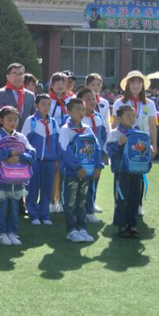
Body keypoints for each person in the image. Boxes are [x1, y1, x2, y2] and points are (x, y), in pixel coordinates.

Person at [0, 106, 35, 246]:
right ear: (1, 120)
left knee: (14, 207)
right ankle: (1, 233)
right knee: (1, 207)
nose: (13, 122)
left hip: (18, 178)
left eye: (15, 119)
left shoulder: (21, 137)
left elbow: (32, 154)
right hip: (1, 179)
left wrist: (19, 157)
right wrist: (9, 154)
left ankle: (12, 232)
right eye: (9, 119)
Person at [59, 98, 103, 243]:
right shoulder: (65, 129)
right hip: (72, 173)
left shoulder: (87, 128)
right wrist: (77, 167)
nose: (81, 112)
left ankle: (82, 228)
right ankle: (72, 230)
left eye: (83, 109)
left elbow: (97, 148)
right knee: (70, 202)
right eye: (78, 109)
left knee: (82, 202)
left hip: (87, 173)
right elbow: (65, 151)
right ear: (69, 111)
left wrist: (98, 166)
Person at [105, 105, 146, 238]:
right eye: (128, 116)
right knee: (121, 199)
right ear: (119, 118)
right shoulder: (115, 134)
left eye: (133, 116)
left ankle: (132, 225)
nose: (132, 118)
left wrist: (148, 149)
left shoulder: (137, 132)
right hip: (121, 172)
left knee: (135, 199)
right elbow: (109, 151)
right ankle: (121, 226)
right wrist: (118, 143)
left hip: (136, 171)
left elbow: (142, 150)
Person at [23, 94, 59, 226]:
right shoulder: (31, 121)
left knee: (47, 189)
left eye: (49, 104)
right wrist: (27, 158)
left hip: (49, 161)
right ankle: (33, 214)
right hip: (34, 161)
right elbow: (24, 142)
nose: (46, 107)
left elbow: (57, 142)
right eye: (43, 104)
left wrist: (57, 158)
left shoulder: (53, 122)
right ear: (36, 105)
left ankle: (45, 214)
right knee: (32, 188)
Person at [78, 86, 108, 224]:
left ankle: (90, 209)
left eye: (93, 98)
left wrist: (103, 152)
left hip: (96, 156)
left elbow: (103, 136)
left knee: (93, 183)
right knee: (82, 185)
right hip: (83, 157)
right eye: (87, 99)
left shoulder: (98, 116)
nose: (91, 101)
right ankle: (82, 211)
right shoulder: (78, 118)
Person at [112, 71, 158, 158]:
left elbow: (152, 126)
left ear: (143, 85)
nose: (136, 86)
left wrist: (154, 145)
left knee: (142, 165)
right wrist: (116, 143)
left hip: (143, 143)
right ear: (127, 85)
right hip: (124, 143)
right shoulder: (119, 103)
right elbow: (114, 125)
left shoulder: (150, 104)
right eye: (132, 83)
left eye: (139, 83)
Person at [0, 63, 36, 131]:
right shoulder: (0, 94)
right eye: (14, 74)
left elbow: (33, 118)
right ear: (8, 77)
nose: (18, 77)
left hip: (26, 135)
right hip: (7, 135)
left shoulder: (30, 95)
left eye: (20, 74)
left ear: (24, 77)